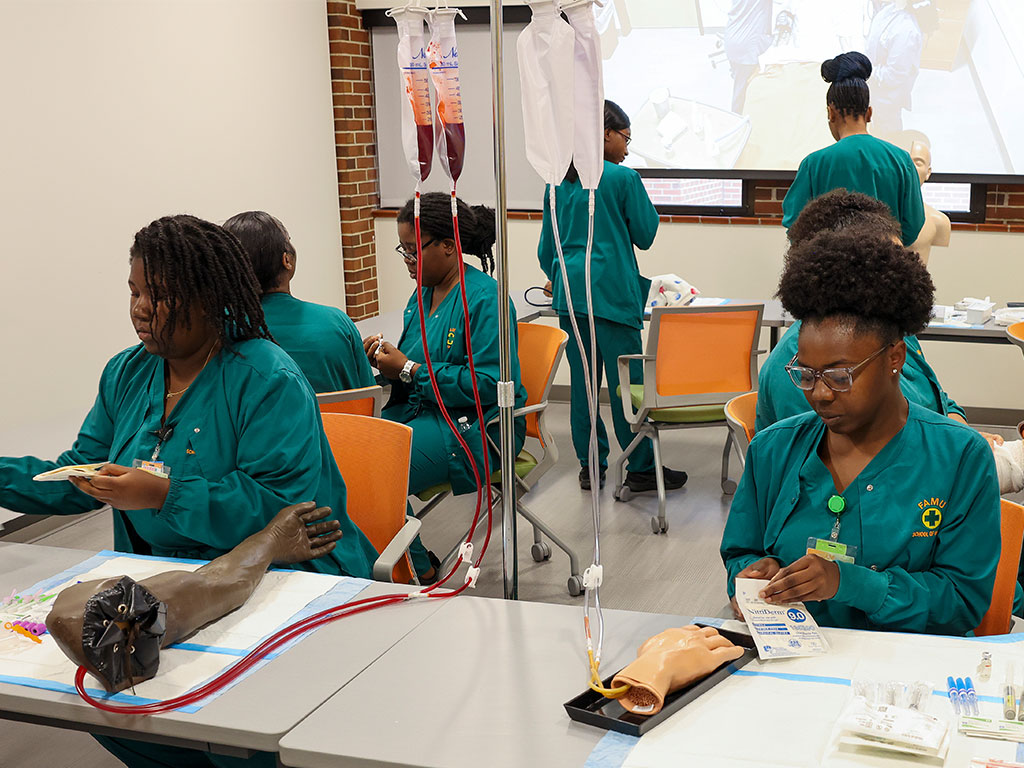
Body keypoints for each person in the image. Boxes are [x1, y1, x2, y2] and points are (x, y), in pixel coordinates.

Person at [0, 215, 376, 767]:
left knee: (228, 725)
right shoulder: (127, 373)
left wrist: (161, 494)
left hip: (277, 569)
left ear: (210, 297)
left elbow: (279, 513)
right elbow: (79, 474)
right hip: (165, 578)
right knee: (99, 694)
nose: (140, 308)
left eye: (160, 295)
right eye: (133, 291)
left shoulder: (266, 376)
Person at [721, 230, 1000, 636]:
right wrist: (747, 576)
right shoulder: (774, 449)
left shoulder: (958, 458)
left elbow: (961, 602)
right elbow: (740, 550)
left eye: (839, 375)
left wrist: (850, 584)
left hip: (906, 675)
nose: (819, 393)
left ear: (895, 358)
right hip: (794, 662)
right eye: (806, 374)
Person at [365, 194, 527, 582]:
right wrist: (385, 363)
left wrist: (409, 369)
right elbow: (411, 365)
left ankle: (417, 571)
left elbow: (489, 384)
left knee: (375, 474)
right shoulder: (420, 295)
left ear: (449, 247)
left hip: (476, 427)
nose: (406, 261)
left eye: (412, 251)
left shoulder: (485, 298)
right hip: (424, 413)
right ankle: (406, 561)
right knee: (343, 460)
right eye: (402, 251)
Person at [538, 100, 686, 493]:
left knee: (584, 388)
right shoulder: (622, 179)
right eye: (625, 138)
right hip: (611, 296)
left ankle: (591, 468)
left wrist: (559, 274)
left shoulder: (555, 184)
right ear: (605, 134)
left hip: (571, 299)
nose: (626, 147)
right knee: (626, 386)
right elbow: (646, 233)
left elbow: (545, 252)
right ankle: (639, 467)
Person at [781, 52, 926, 246]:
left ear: (831, 113)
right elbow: (913, 224)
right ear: (869, 113)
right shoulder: (902, 161)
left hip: (828, 270)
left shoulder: (814, 164)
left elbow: (795, 225)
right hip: (887, 267)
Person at [222, 210, 374, 394]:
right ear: (287, 260)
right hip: (337, 423)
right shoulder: (336, 322)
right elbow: (369, 401)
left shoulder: (220, 332)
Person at [866, 0, 934, 137]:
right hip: (874, 90)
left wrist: (865, 69)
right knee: (875, 125)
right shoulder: (888, 10)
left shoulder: (907, 30)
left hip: (887, 98)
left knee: (888, 135)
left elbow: (893, 76)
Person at [724, 0, 773, 113]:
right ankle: (738, 124)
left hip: (732, 38)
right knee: (744, 92)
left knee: (740, 86)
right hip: (747, 44)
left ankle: (738, 119)